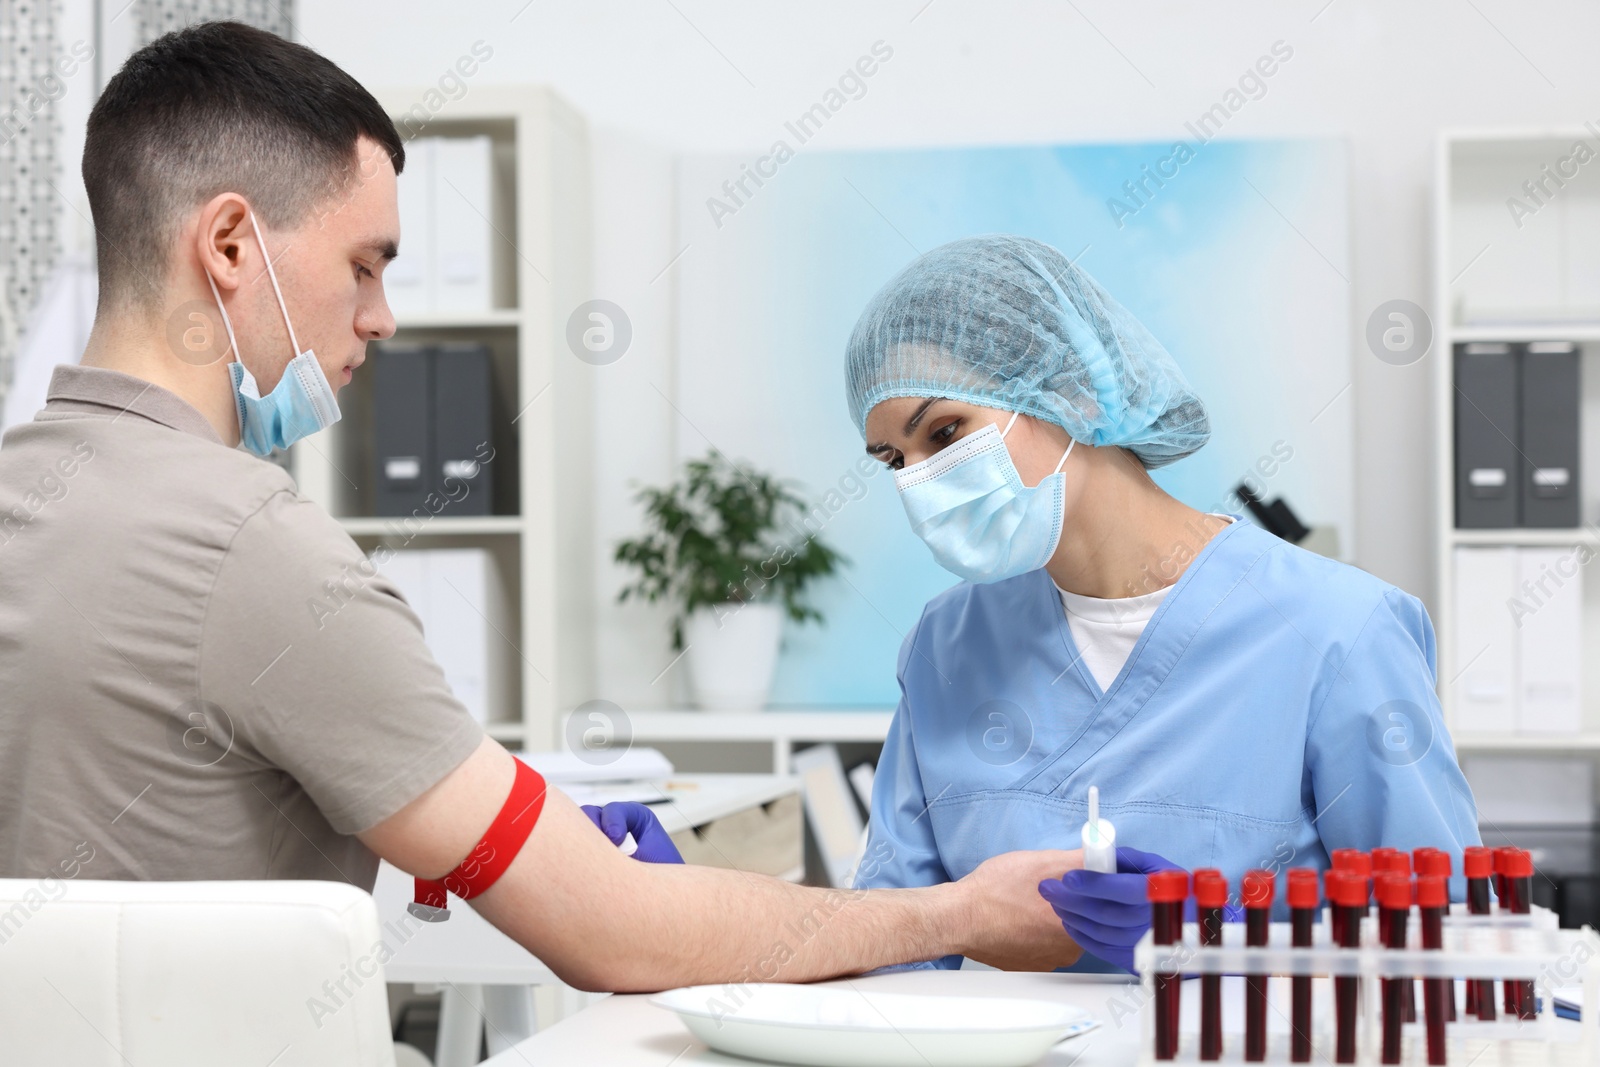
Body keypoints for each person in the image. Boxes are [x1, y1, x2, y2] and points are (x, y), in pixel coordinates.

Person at [0, 24, 1088, 992]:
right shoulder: (253, 548)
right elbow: (617, 937)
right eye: (365, 264)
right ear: (231, 245)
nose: (380, 319)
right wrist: (959, 912)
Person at [845, 233, 1482, 972]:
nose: (919, 483)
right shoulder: (945, 647)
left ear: (1070, 391)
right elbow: (894, 945)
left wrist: (1218, 937)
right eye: (895, 460)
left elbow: (1450, 952)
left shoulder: (1337, 632)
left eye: (945, 432)